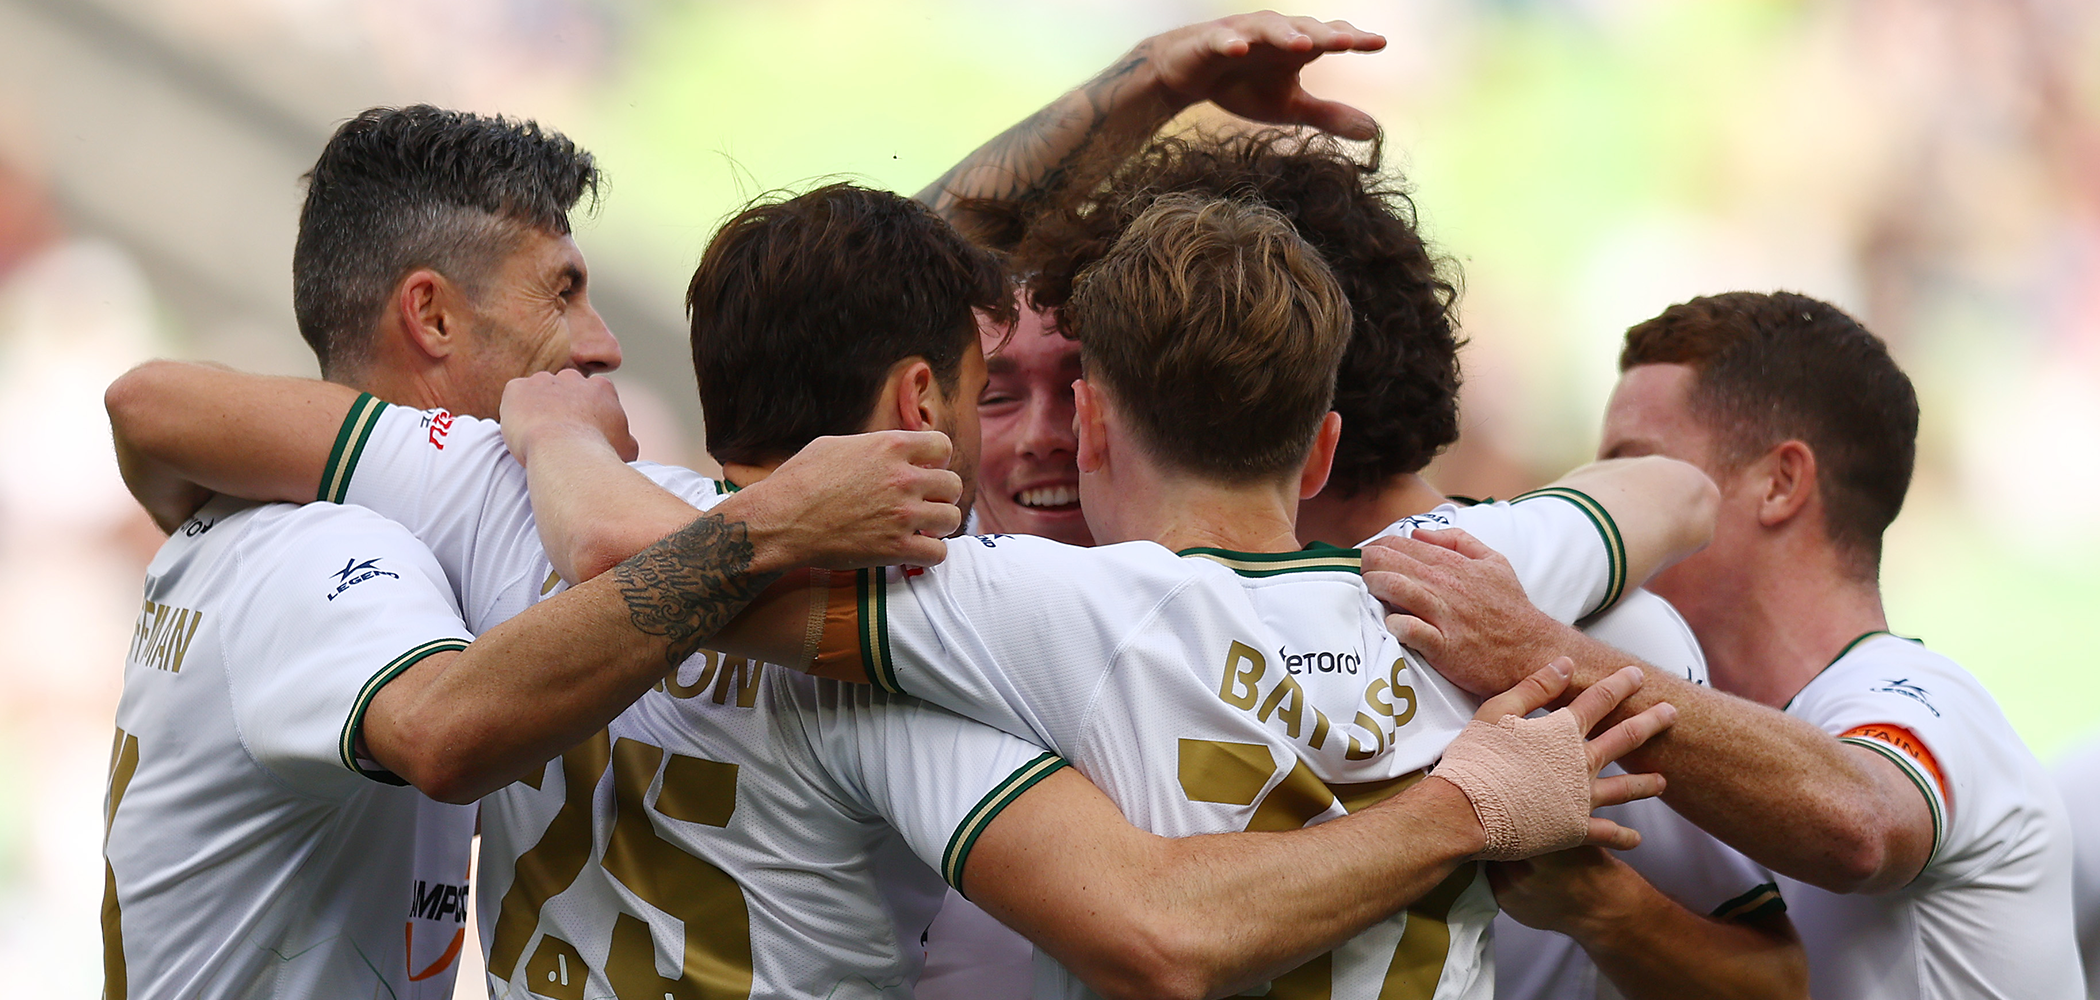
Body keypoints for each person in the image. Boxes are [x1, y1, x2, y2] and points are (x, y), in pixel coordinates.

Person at [111, 182, 1671, 1000]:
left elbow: (164, 404)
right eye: (995, 393)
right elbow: (1154, 933)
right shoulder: (901, 658)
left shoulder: (505, 508)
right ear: (921, 397)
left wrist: (541, 432)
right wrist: (1475, 799)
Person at [98, 108, 958, 999]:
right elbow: (445, 735)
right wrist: (771, 528)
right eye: (562, 290)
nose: (603, 342)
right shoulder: (334, 554)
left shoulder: (268, 523)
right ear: (430, 315)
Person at [951, 127, 1804, 1000]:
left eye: (1085, 382)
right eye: (998, 392)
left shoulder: (1575, 630)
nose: (1046, 436)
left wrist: (1605, 909)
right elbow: (1675, 492)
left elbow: (1775, 982)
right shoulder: (1527, 570)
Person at [1367, 291, 2081, 999]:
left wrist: (1530, 645)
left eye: (1636, 468)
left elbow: (1860, 827)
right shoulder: (1676, 737)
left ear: (1781, 483)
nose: (1600, 507)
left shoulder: (1929, 701)